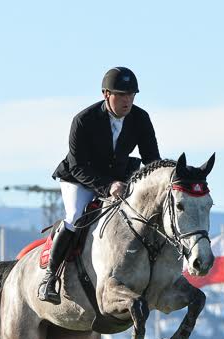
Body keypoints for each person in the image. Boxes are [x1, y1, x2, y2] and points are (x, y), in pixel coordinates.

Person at [40, 66, 161, 303]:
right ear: (106, 94)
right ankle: (49, 278)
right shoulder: (83, 120)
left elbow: (152, 161)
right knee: (76, 215)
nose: (128, 100)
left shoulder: (140, 118)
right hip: (80, 178)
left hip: (118, 177)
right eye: (122, 95)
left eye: (132, 95)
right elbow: (77, 166)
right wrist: (107, 187)